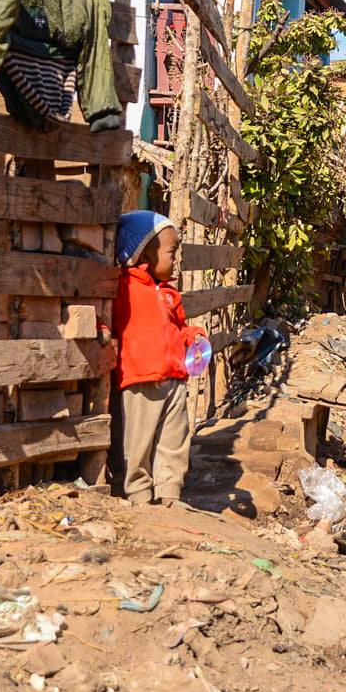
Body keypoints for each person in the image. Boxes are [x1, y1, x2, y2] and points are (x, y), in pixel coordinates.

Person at [112, 210, 206, 507]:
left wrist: (194, 336)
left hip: (175, 378)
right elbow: (105, 319)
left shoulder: (169, 294)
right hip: (140, 378)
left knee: (174, 440)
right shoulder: (122, 287)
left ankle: (169, 494)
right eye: (172, 252)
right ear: (144, 252)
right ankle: (138, 494)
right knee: (137, 441)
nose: (177, 260)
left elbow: (178, 327)